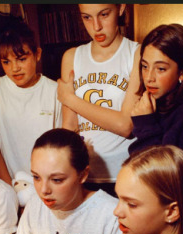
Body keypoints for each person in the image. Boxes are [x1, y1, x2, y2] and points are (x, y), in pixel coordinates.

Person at [57, 4, 141, 196]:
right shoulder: (72, 57)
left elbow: (125, 125)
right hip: (84, 176)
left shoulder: (136, 53)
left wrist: (70, 98)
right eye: (87, 17)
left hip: (126, 175)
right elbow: (70, 126)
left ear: (120, 8)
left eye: (104, 14)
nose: (96, 27)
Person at [0, 20, 62, 185]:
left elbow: (60, 150)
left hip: (49, 185)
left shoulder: (54, 91)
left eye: (21, 59)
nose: (14, 68)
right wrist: (10, 192)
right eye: (6, 62)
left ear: (37, 54)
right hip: (9, 185)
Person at [127, 24, 183, 158]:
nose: (149, 78)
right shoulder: (157, 104)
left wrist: (145, 122)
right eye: (144, 66)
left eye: (160, 69)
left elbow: (162, 171)